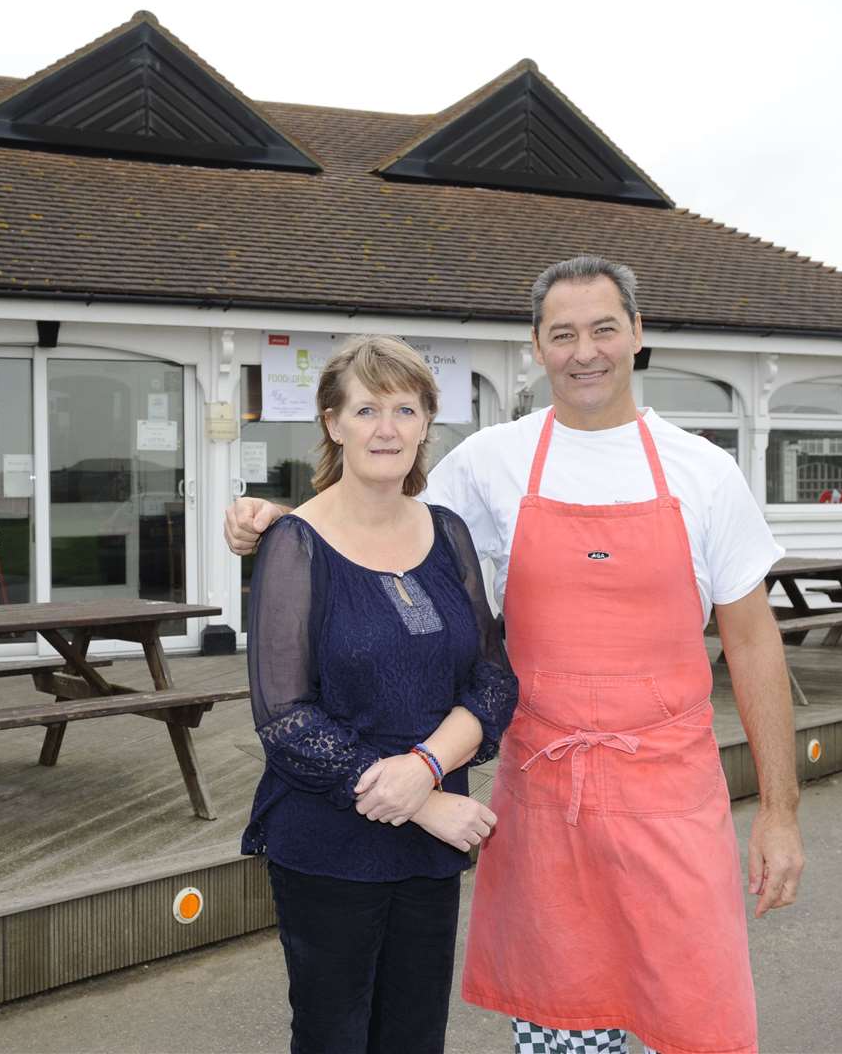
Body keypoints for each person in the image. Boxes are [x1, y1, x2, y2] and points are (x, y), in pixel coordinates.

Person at [226, 257, 805, 1054]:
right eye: (562, 334)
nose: (584, 351)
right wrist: (278, 524)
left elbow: (752, 643)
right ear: (536, 346)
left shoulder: (704, 470)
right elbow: (376, 530)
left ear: (637, 335)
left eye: (603, 328)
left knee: (696, 1019)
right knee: (561, 1026)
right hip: (543, 798)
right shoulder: (492, 461)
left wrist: (778, 814)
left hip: (671, 795)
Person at [242, 334, 519, 1054]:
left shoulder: (449, 533)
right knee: (335, 1035)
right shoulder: (295, 544)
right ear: (333, 422)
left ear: (427, 421)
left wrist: (426, 769)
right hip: (330, 842)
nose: (386, 428)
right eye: (366, 409)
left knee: (414, 1034)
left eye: (404, 408)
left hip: (430, 846)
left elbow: (491, 676)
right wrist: (423, 804)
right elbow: (284, 717)